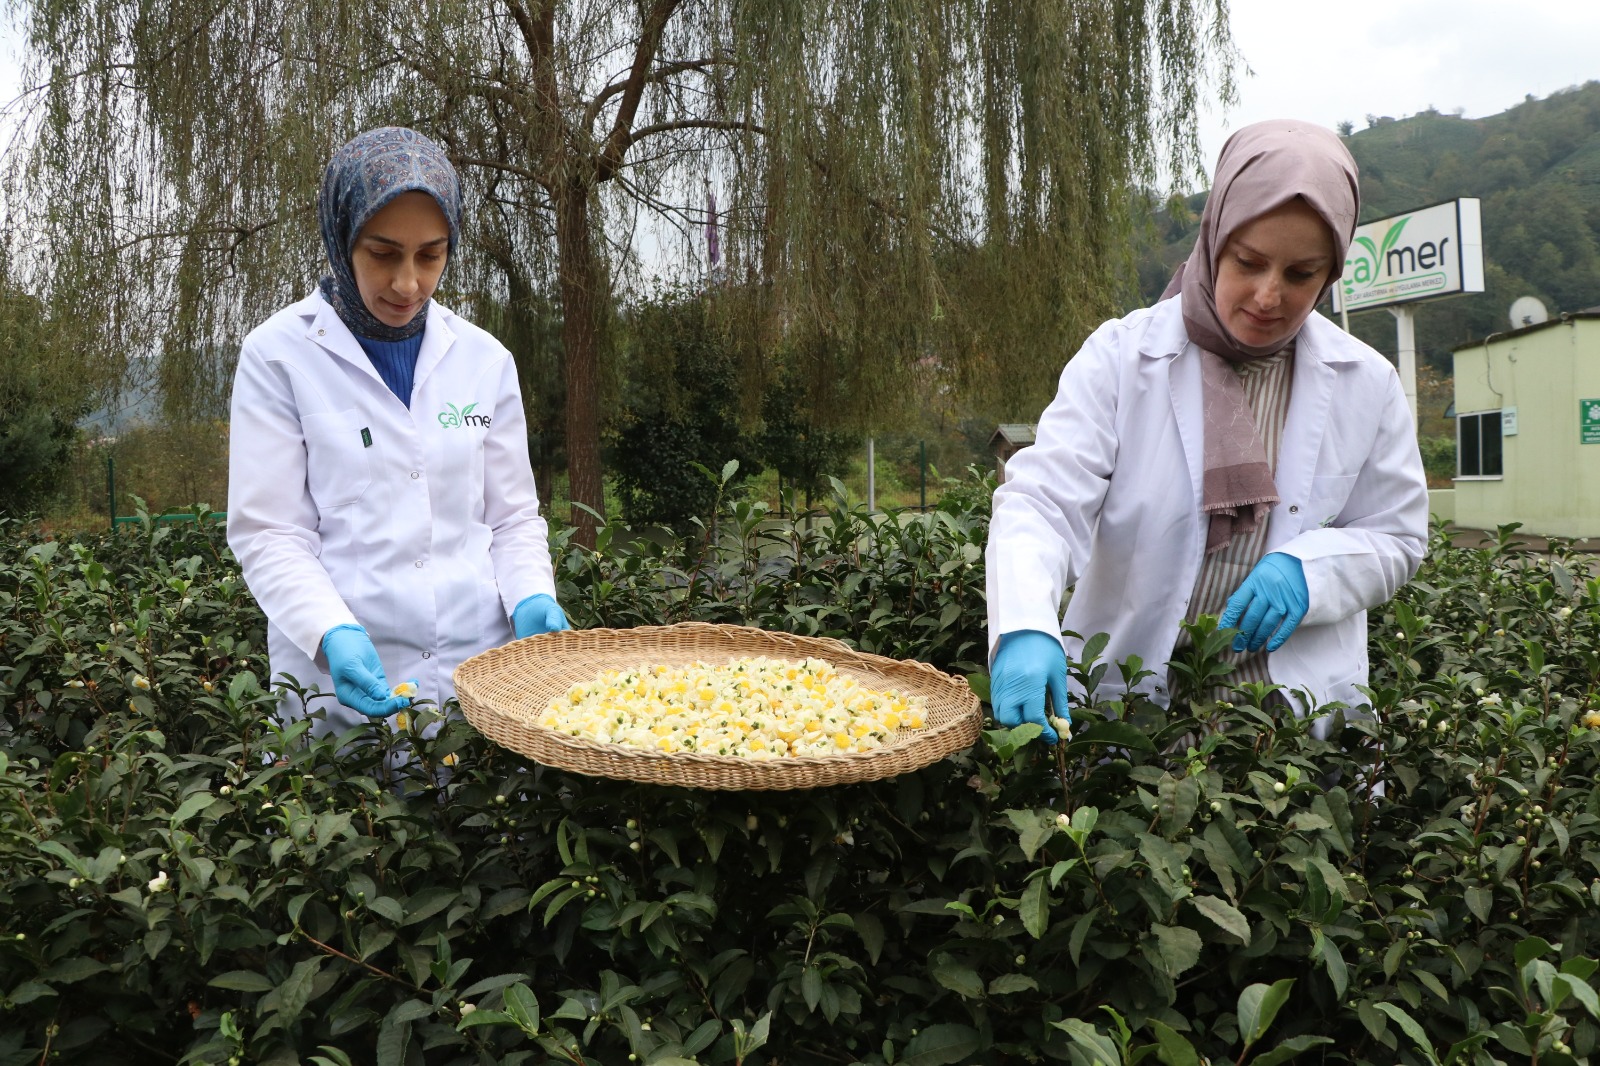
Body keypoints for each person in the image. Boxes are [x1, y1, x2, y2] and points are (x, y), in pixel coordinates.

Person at [985, 119, 1429, 743]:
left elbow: (1398, 537)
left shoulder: (1367, 383)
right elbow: (1043, 502)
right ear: (1215, 235)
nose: (1269, 294)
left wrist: (1313, 569)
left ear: (1329, 275)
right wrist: (1027, 623)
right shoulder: (1121, 357)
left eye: (1301, 274)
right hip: (1131, 718)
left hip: (1280, 738)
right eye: (1248, 262)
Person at [227, 127, 568, 734]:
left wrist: (531, 595)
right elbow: (270, 532)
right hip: (339, 694)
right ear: (342, 236)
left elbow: (512, 519)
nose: (408, 284)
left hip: (479, 689)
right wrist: (330, 631)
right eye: (383, 254)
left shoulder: (484, 360)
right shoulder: (278, 356)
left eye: (430, 255)